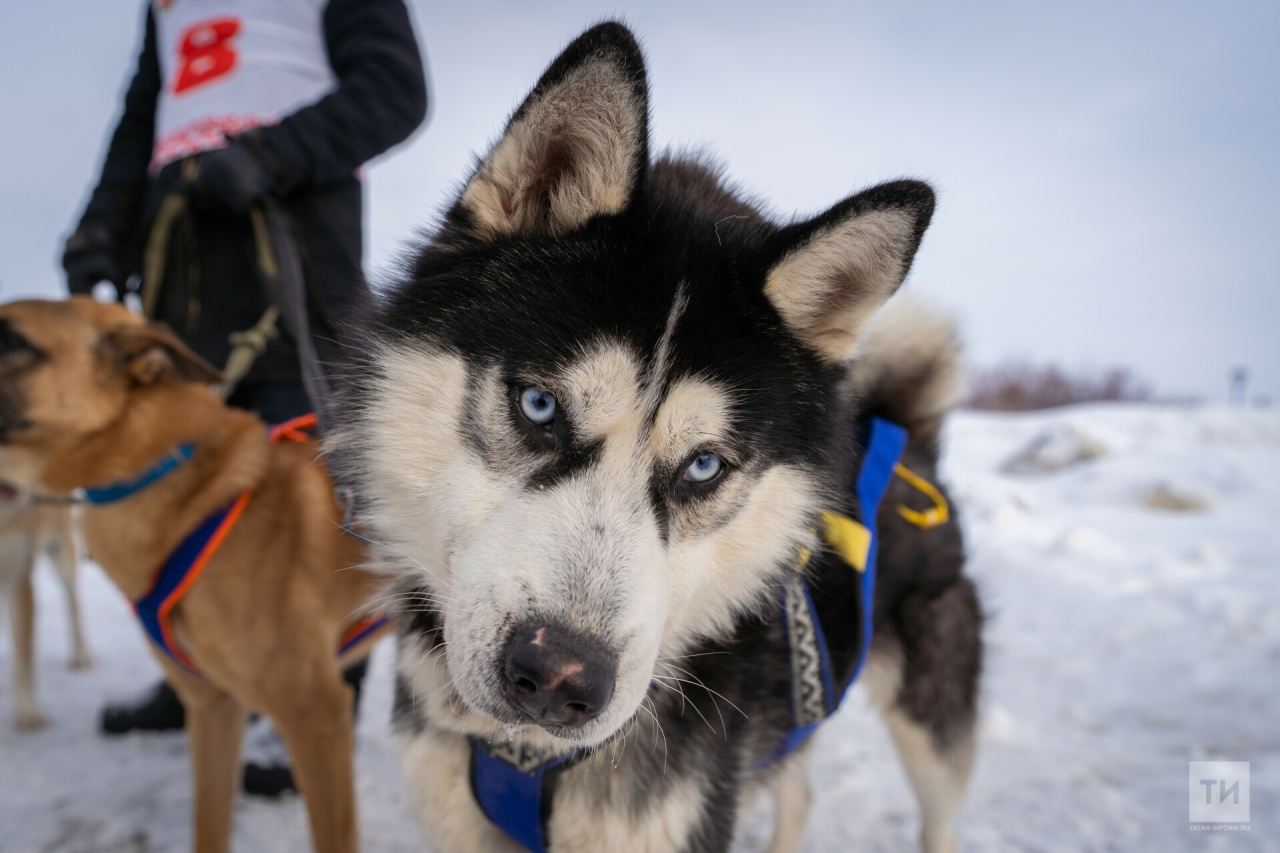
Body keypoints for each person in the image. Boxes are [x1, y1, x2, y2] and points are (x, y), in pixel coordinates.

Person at [62, 0, 427, 796]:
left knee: (307, 491)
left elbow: (396, 91)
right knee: (173, 483)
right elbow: (141, 121)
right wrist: (99, 231)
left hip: (292, 241)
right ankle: (193, 672)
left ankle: (309, 698)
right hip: (179, 261)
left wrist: (269, 152)